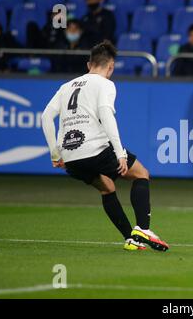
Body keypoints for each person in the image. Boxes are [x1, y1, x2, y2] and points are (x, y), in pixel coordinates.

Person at [41, 40, 169, 252]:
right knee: (141, 174)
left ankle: (131, 240)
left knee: (107, 188)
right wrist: (119, 153)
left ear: (88, 64)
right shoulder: (105, 84)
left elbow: (46, 117)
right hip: (96, 149)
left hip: (71, 158)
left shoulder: (66, 86)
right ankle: (143, 229)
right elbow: (106, 115)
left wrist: (55, 154)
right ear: (110, 67)